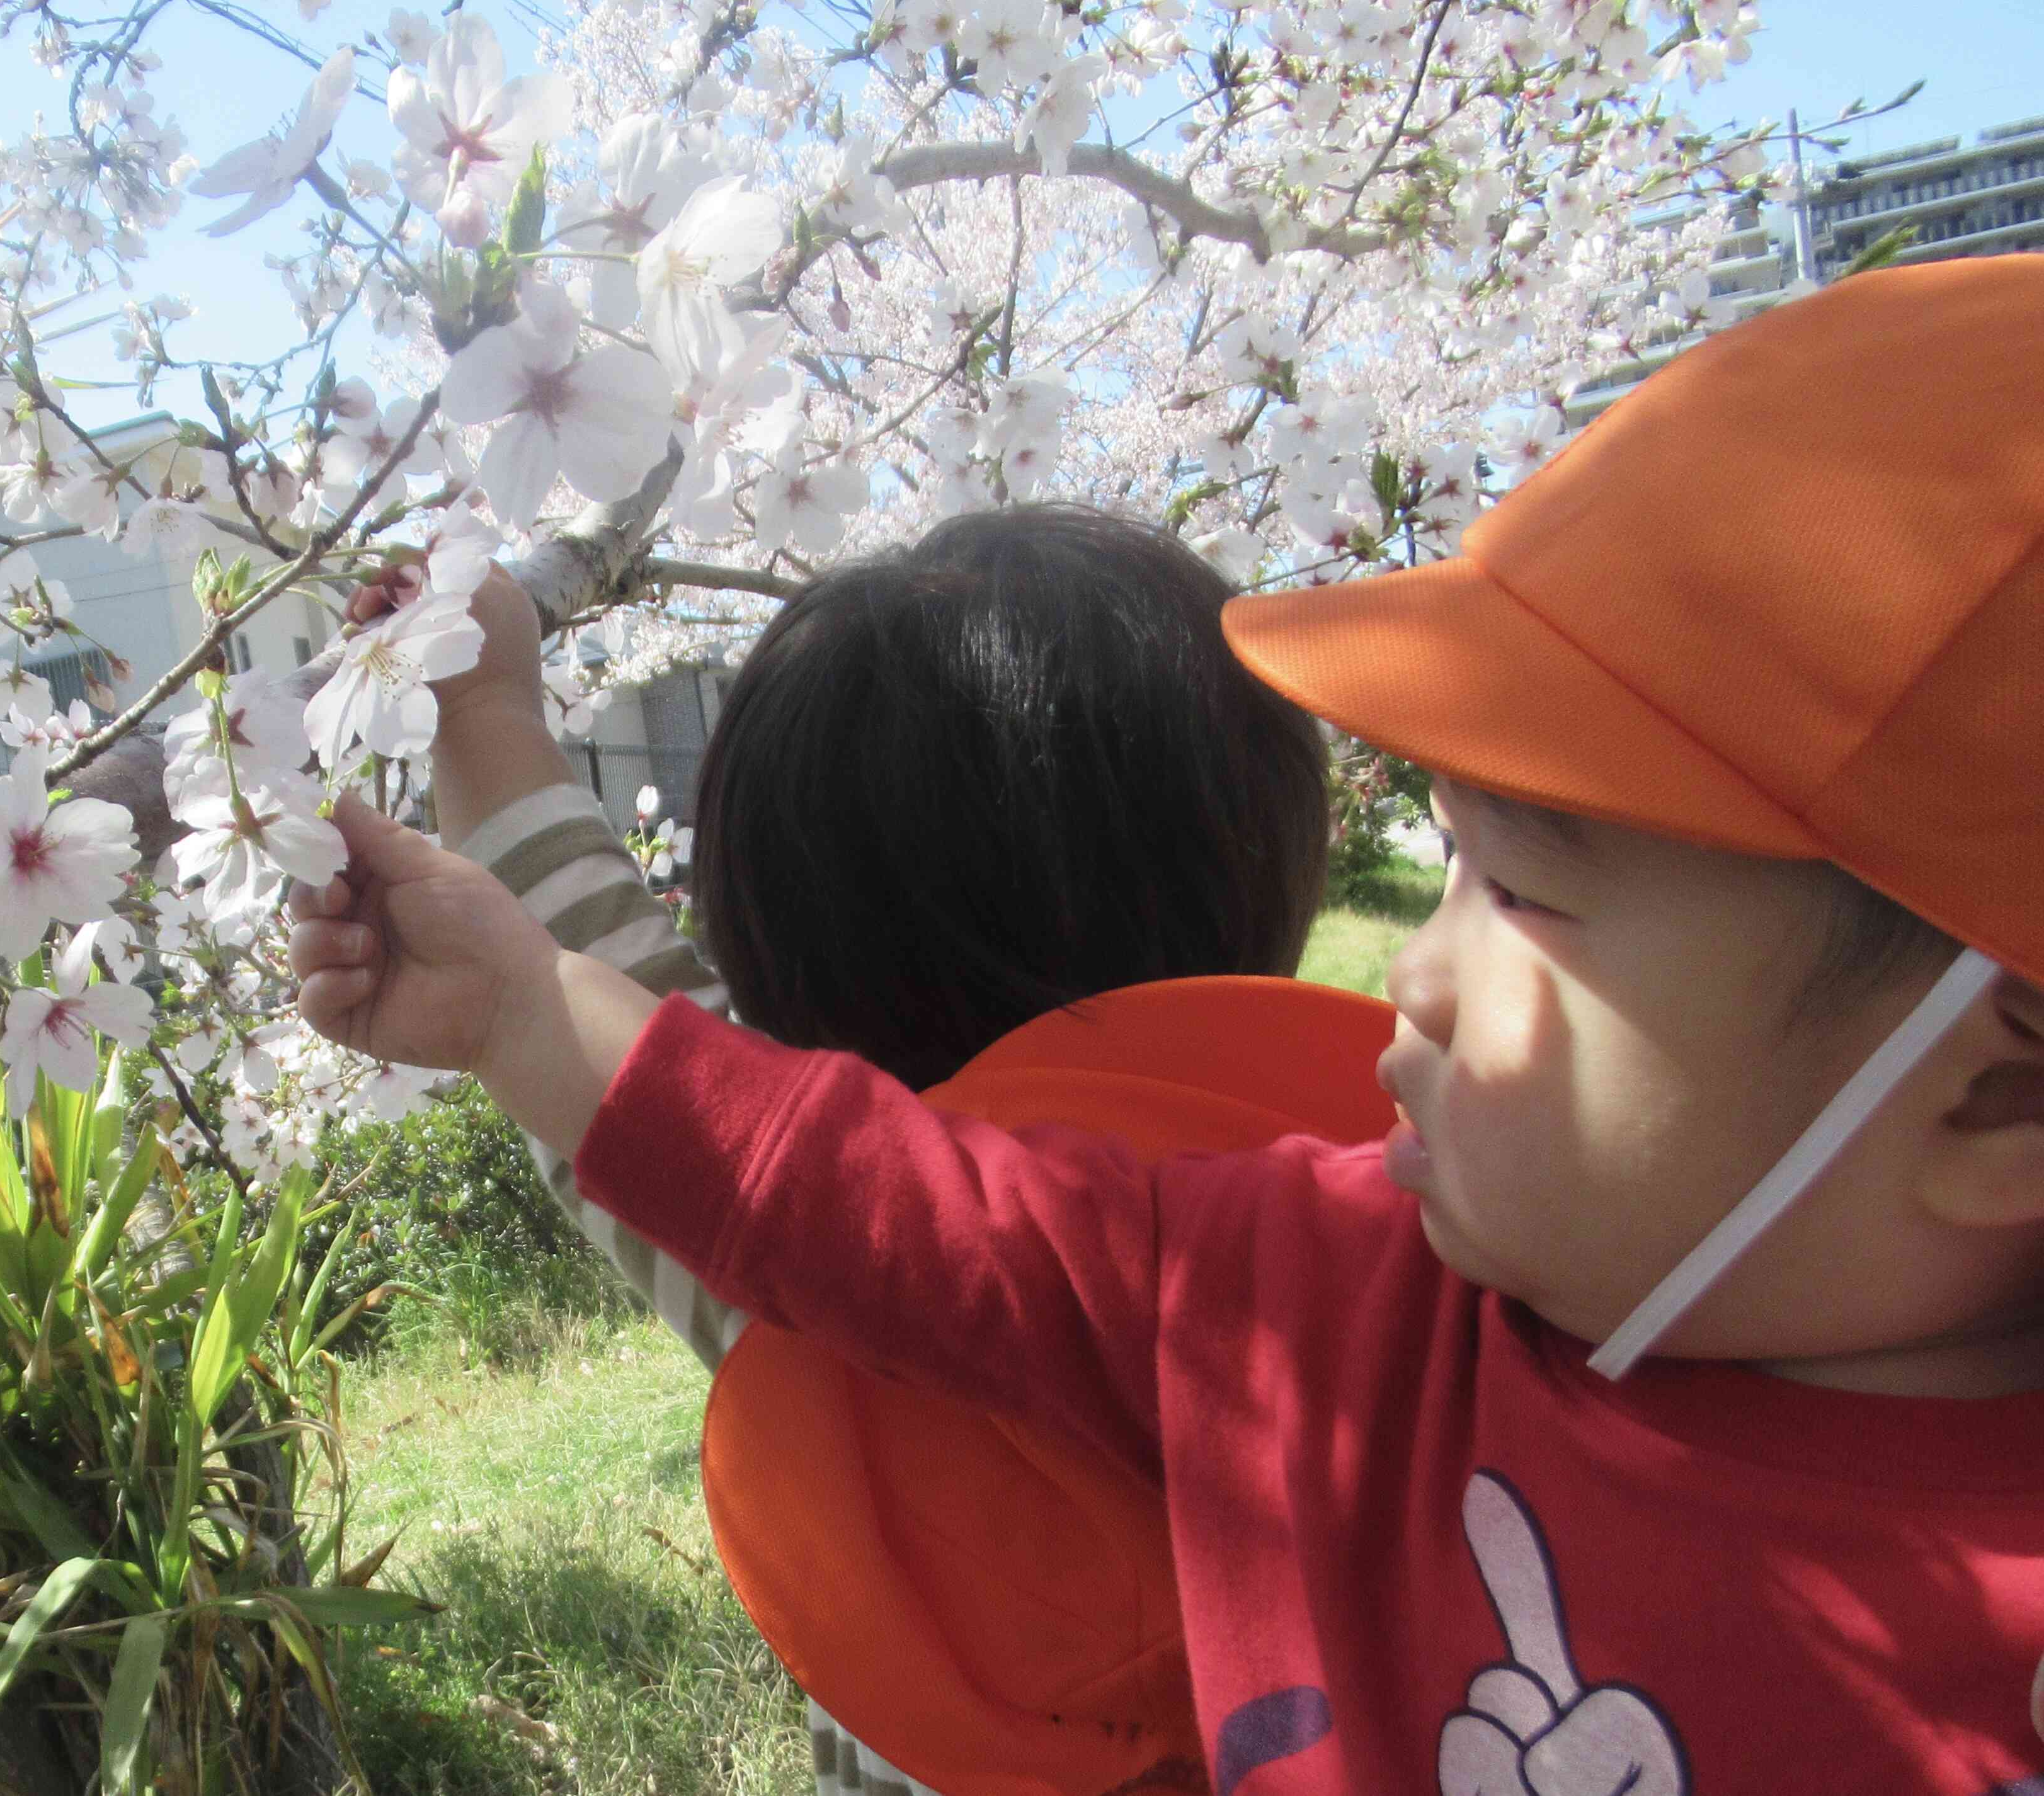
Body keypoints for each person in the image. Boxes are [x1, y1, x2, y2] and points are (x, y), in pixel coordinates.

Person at [294, 256, 2044, 1792]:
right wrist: (525, 992)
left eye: (1529, 893)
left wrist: (501, 765)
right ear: (1256, 870)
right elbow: (805, 1156)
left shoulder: (951, 1309)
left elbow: (735, 1123)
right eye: (1442, 872)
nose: (1414, 979)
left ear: (1993, 1101)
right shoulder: (1315, 1283)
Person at [384, 503, 1336, 1794]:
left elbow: (613, 1025)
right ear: (1273, 860)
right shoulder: (1437, 1255)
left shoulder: (824, 1287)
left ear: (772, 957)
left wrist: (479, 706)